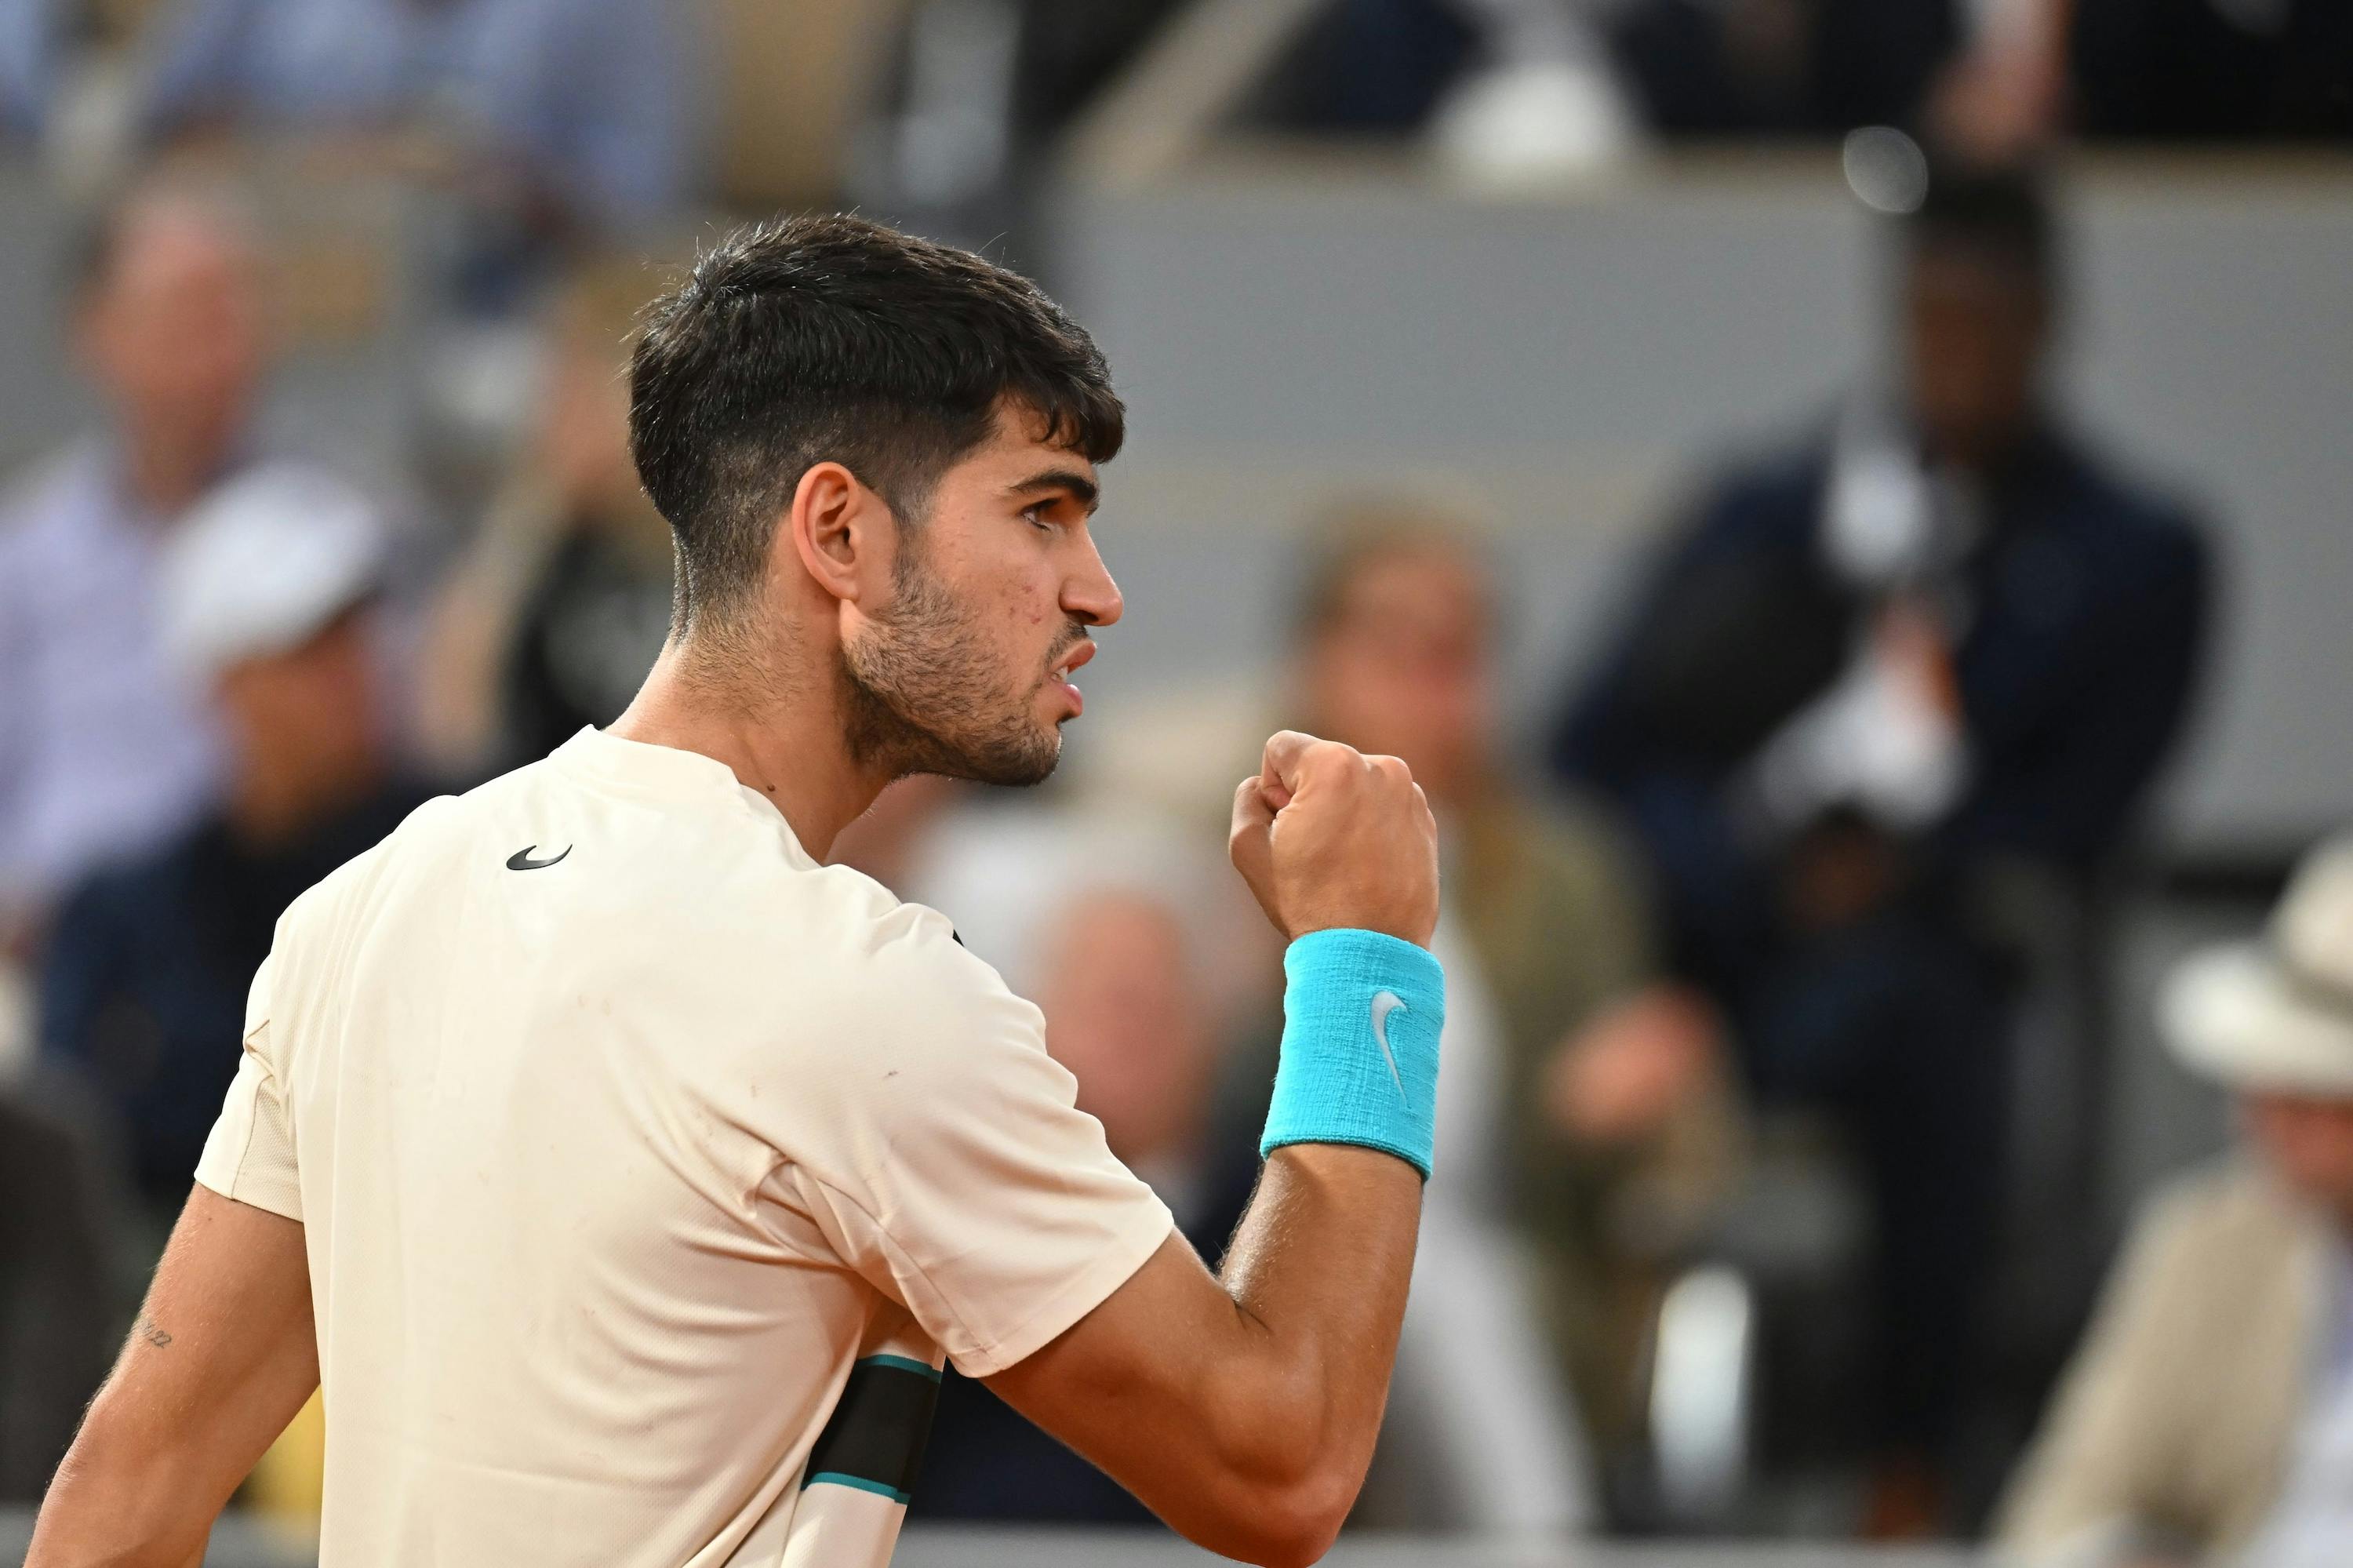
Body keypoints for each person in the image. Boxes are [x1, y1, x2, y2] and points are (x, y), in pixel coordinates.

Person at [28, 213, 1446, 1568]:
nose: (1097, 589)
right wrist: (1362, 956)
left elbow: (119, 1503)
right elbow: (1280, 1462)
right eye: (1042, 511)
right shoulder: (866, 999)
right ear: (839, 532)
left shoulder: (371, 906)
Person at [1551, 161, 2210, 1528]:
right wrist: (1741, 880)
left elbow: (2085, 816)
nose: (1959, 348)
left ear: (2046, 322)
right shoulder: (1767, 514)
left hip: (1939, 955)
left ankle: (1916, 1453)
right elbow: (1598, 746)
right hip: (1715, 938)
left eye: (1992, 316)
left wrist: (1906, 870)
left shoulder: (2131, 554)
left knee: (1918, 1018)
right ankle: (1597, 1458)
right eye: (1934, 315)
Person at [38, 463, 435, 1227]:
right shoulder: (118, 916)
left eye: (355, 634)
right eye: (306, 648)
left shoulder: (466, 844)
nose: (351, 670)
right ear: (223, 682)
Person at [1998, 835, 2353, 1567]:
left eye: (2319, 1091)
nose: (2268, 1110)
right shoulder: (2212, 1244)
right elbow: (2069, 1504)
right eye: (2268, 1076)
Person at [0, 182, 269, 943]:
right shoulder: (28, 553)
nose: (219, 345)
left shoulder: (332, 535)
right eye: (187, 311)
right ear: (96, 333)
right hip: (49, 939)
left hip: (251, 941)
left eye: (234, 310)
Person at [138, 0, 701, 229]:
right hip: (271, 307)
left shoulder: (606, 13)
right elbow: (159, 138)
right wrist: (289, 155)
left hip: (505, 336)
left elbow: (645, 223)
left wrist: (492, 183)